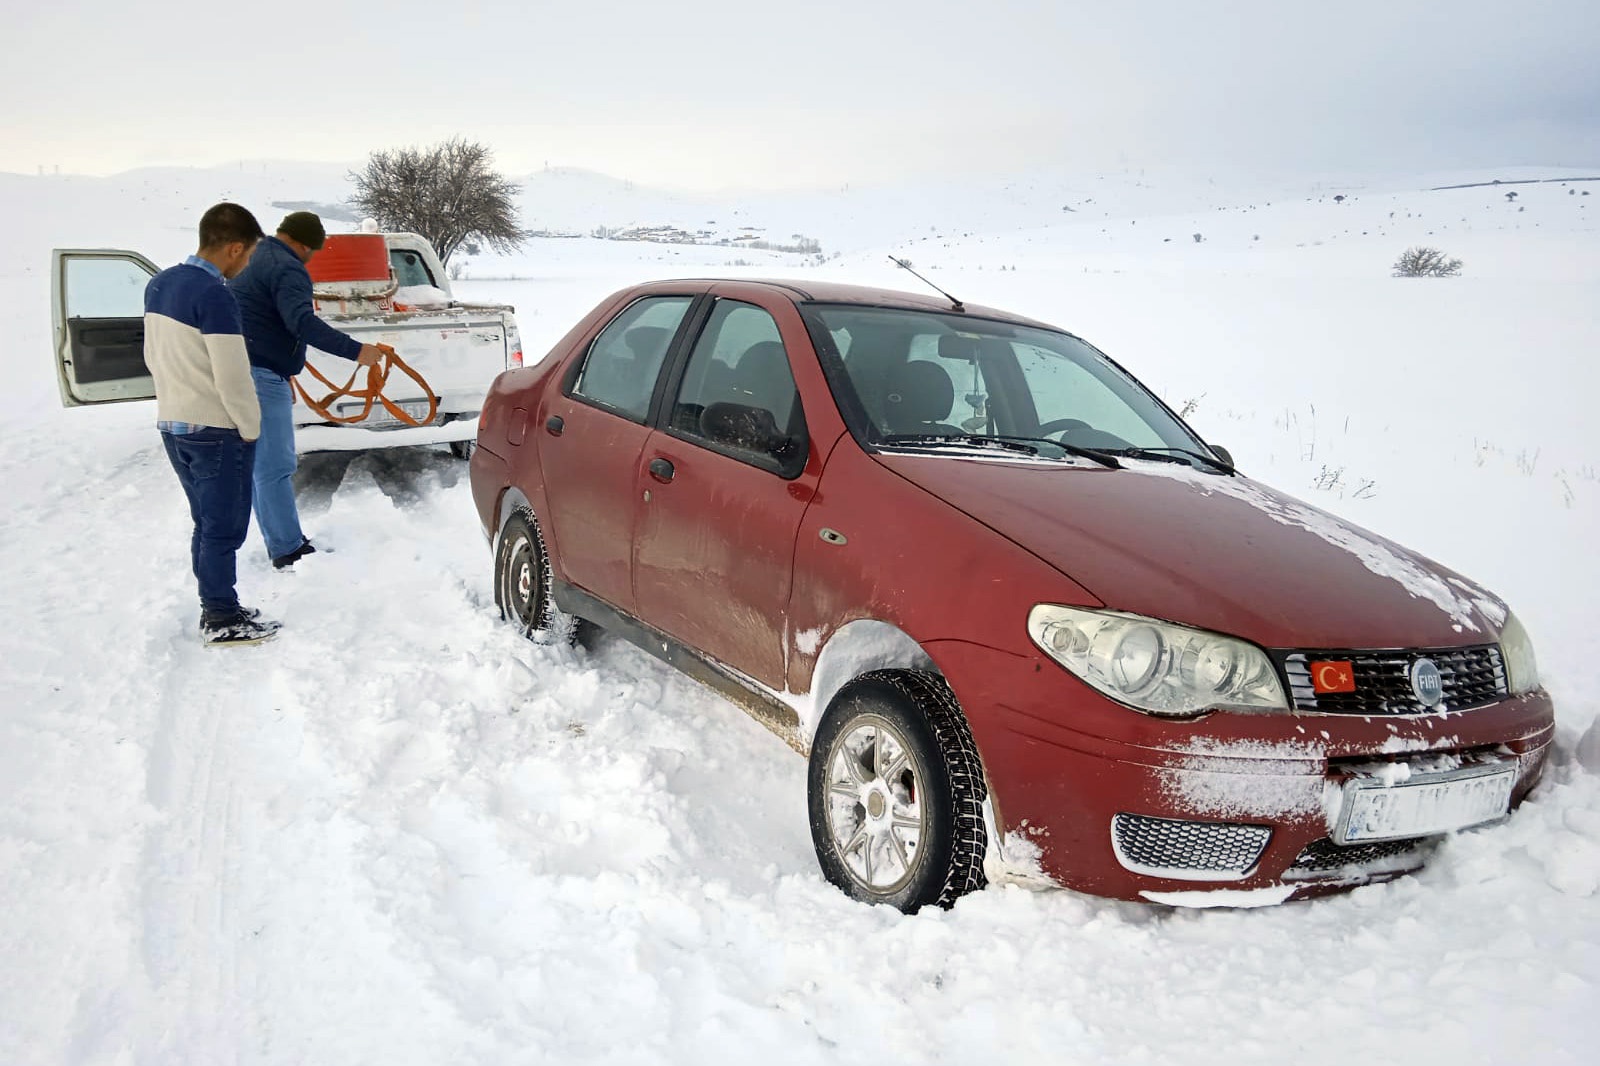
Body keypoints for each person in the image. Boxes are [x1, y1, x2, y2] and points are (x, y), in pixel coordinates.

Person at [145, 202, 282, 646]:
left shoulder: (160, 284)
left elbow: (153, 356)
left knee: (206, 524)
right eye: (247, 256)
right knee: (224, 528)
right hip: (215, 430)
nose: (245, 265)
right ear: (234, 247)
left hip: (174, 424)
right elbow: (231, 373)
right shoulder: (214, 294)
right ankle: (221, 618)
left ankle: (218, 603)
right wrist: (250, 426)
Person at [230, 210, 384, 569]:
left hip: (243, 369)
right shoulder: (287, 267)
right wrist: (357, 351)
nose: (311, 257)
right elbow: (301, 321)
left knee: (260, 466)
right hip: (261, 375)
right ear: (302, 244)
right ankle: (287, 549)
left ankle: (279, 539)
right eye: (312, 251)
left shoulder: (255, 257)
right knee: (275, 465)